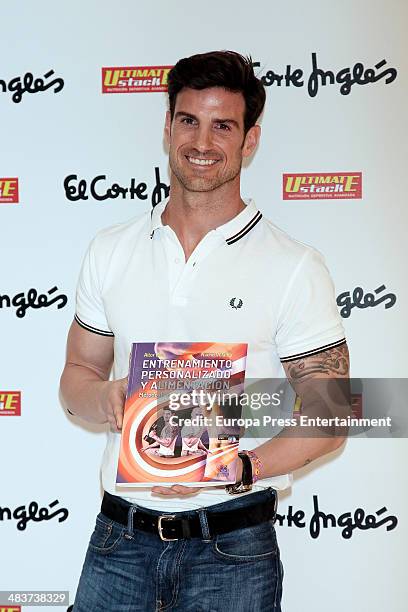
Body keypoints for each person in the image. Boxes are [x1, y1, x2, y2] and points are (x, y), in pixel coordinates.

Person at [60, 50, 350, 611]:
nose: (202, 141)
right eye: (189, 120)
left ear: (250, 141)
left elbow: (332, 412)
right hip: (119, 541)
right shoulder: (109, 250)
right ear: (167, 127)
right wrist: (105, 397)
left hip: (233, 548)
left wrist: (243, 467)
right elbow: (76, 377)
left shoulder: (294, 265)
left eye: (224, 126)